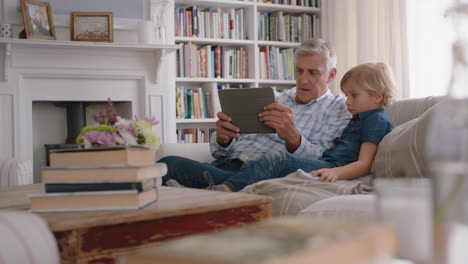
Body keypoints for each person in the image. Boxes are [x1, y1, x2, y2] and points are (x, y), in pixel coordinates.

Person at [160, 39, 351, 189]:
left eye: (313, 73)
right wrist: (223, 138)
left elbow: (324, 161)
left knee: (174, 174)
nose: (303, 79)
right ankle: (213, 191)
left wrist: (293, 138)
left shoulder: (338, 109)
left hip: (265, 174)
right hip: (227, 167)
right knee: (166, 164)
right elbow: (219, 152)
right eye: (299, 70)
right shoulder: (273, 99)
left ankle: (210, 191)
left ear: (331, 75)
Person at [203, 62, 395, 192]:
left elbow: (365, 164)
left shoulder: (376, 120)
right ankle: (213, 185)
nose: (347, 101)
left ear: (377, 96)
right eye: (346, 95)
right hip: (327, 162)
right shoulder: (360, 117)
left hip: (333, 166)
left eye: (354, 95)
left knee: (278, 159)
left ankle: (226, 190)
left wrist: (336, 172)